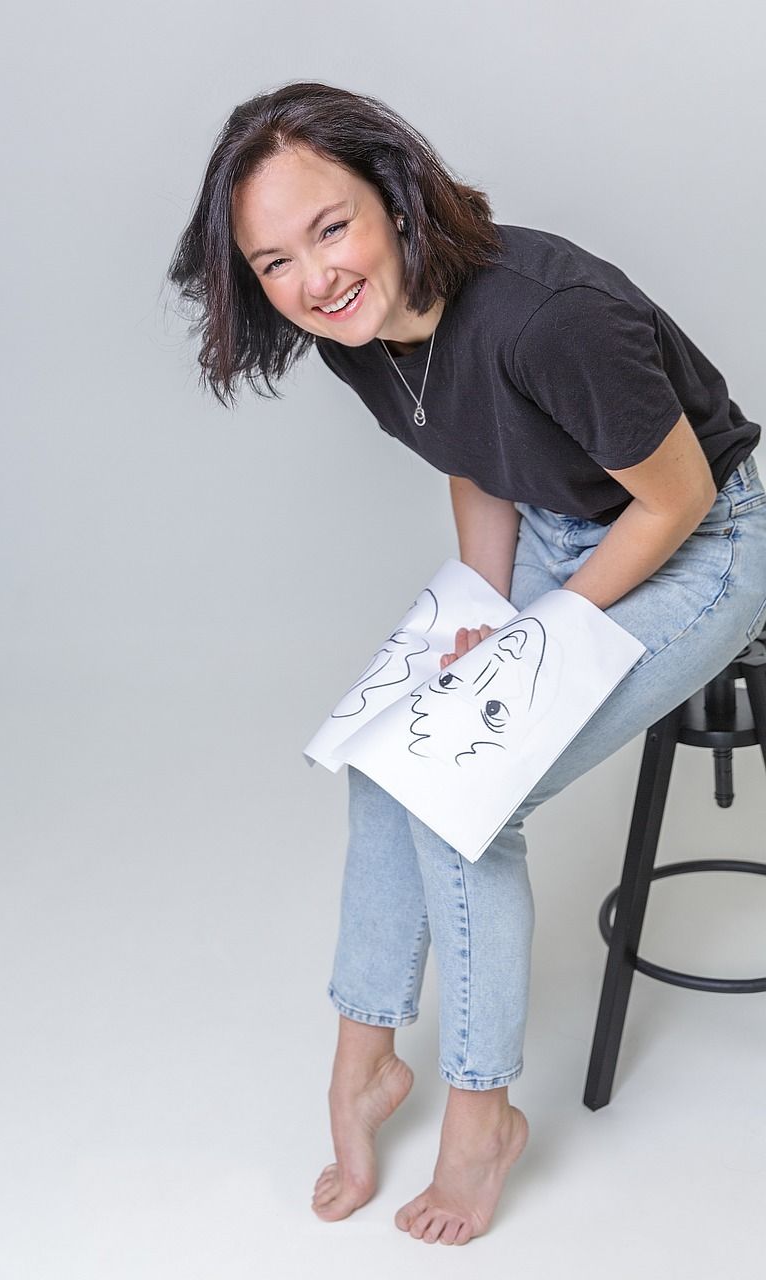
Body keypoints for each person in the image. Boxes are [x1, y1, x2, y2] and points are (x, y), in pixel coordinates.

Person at [165, 81, 766, 1247]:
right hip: (557, 524)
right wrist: (477, 611)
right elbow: (473, 447)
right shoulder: (353, 330)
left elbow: (680, 495)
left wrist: (534, 643)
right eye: (274, 260)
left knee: (464, 795)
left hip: (703, 542)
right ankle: (365, 1061)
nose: (314, 278)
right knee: (384, 754)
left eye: (330, 228)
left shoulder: (547, 317)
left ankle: (482, 1115)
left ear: (393, 198)